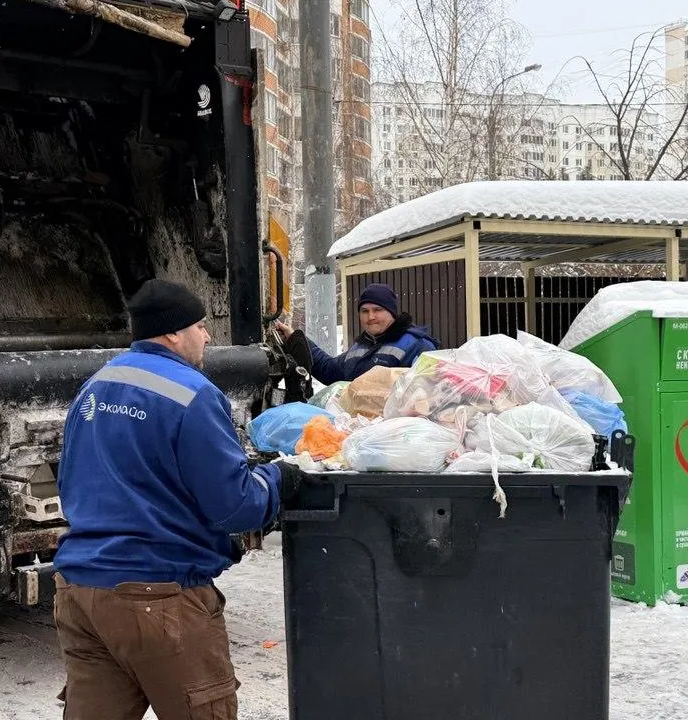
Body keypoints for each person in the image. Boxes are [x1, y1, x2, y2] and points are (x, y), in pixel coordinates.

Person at [53, 279, 306, 720]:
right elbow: (235, 506)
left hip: (82, 593)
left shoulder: (95, 385)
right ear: (173, 332)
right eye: (202, 326)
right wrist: (278, 478)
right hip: (158, 596)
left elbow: (74, 479)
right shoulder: (192, 392)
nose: (207, 337)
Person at [274, 282, 438, 385]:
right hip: (360, 431)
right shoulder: (361, 347)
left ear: (392, 312)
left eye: (378, 310)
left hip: (395, 435)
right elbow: (330, 370)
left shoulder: (418, 346)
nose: (371, 317)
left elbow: (429, 395)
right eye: (365, 311)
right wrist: (296, 339)